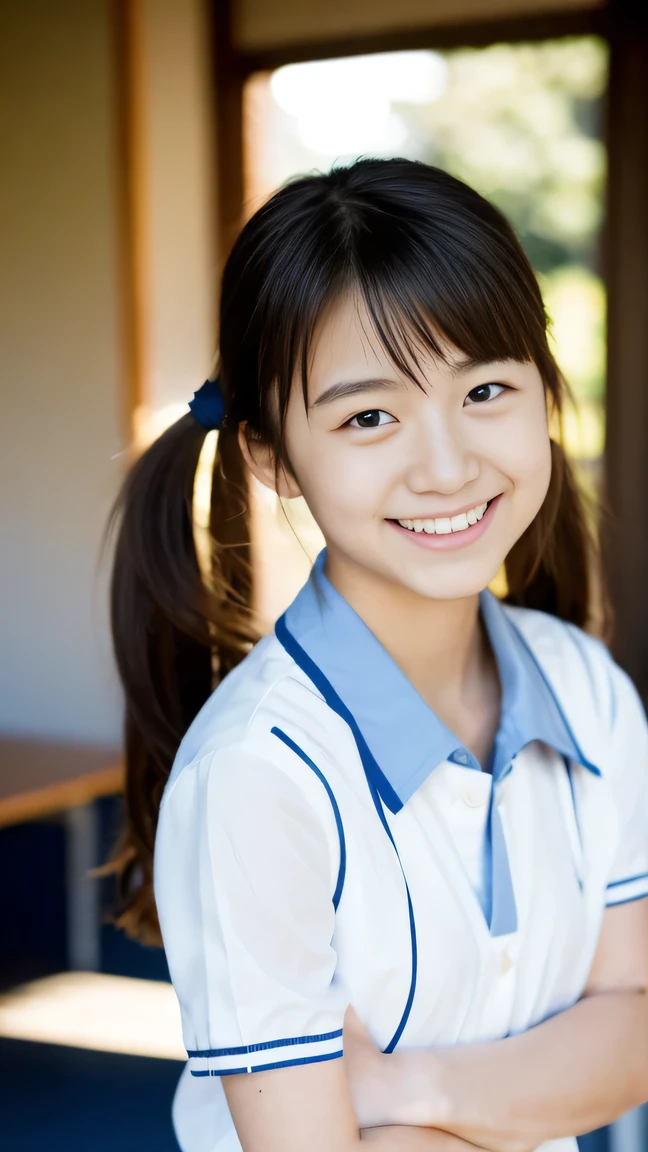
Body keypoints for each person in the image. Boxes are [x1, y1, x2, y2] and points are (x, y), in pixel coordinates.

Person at [107, 159, 648, 1152]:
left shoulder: (589, 691)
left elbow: (634, 1034)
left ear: (545, 392)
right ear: (272, 453)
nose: (446, 465)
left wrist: (413, 1090)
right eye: (369, 416)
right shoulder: (255, 776)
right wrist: (534, 1087)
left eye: (485, 389)